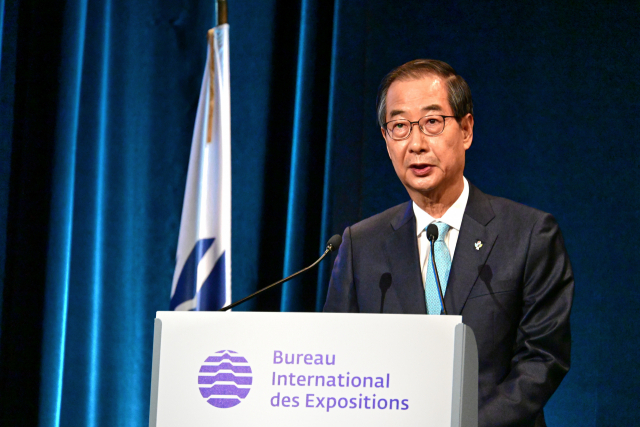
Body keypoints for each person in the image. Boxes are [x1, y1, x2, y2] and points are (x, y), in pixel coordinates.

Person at [323, 59, 574, 427]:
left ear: (466, 130)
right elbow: (336, 361)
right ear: (387, 141)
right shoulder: (360, 245)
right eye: (399, 127)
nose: (416, 144)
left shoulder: (529, 234)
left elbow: (543, 359)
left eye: (432, 122)